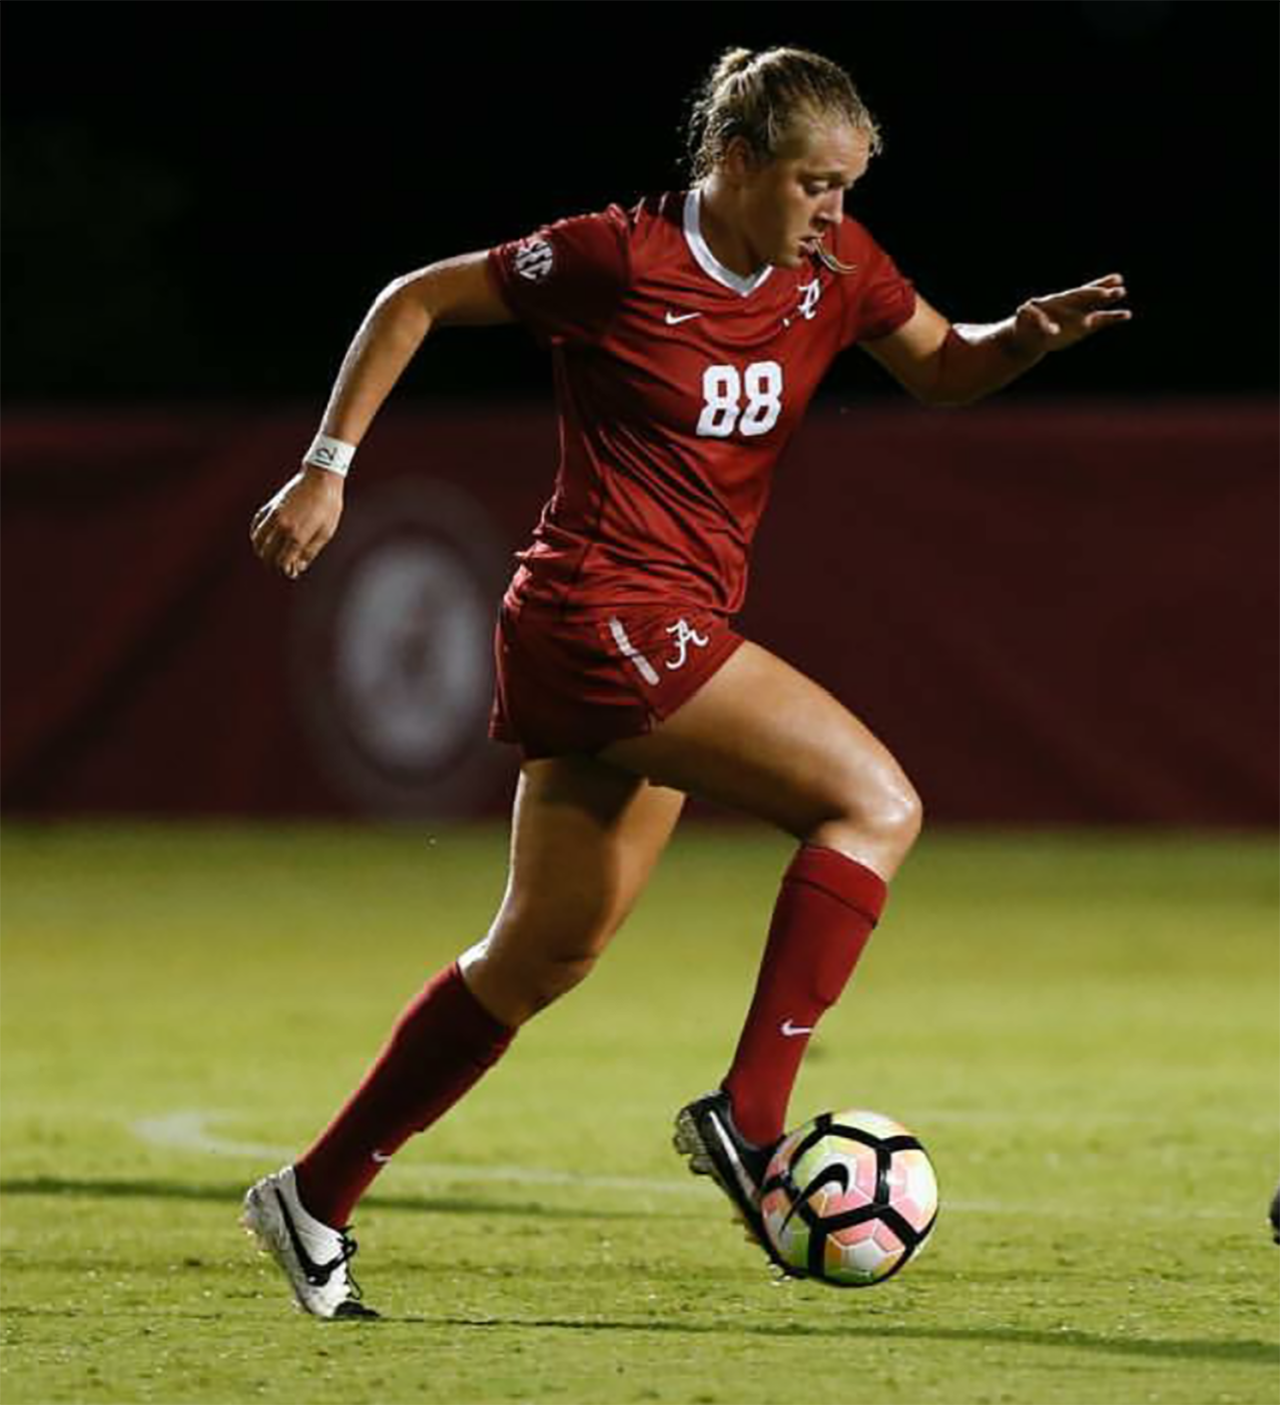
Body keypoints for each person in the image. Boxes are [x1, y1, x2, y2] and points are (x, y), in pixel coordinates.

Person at [242, 45, 1131, 1318]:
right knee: (873, 803)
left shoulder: (835, 268)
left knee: (540, 952)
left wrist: (1019, 340)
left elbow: (942, 368)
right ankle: (749, 1117)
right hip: (601, 610)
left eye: (849, 186)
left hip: (639, 628)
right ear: (733, 163)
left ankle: (311, 1195)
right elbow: (413, 297)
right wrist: (327, 463)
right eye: (814, 183)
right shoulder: (615, 256)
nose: (834, 210)